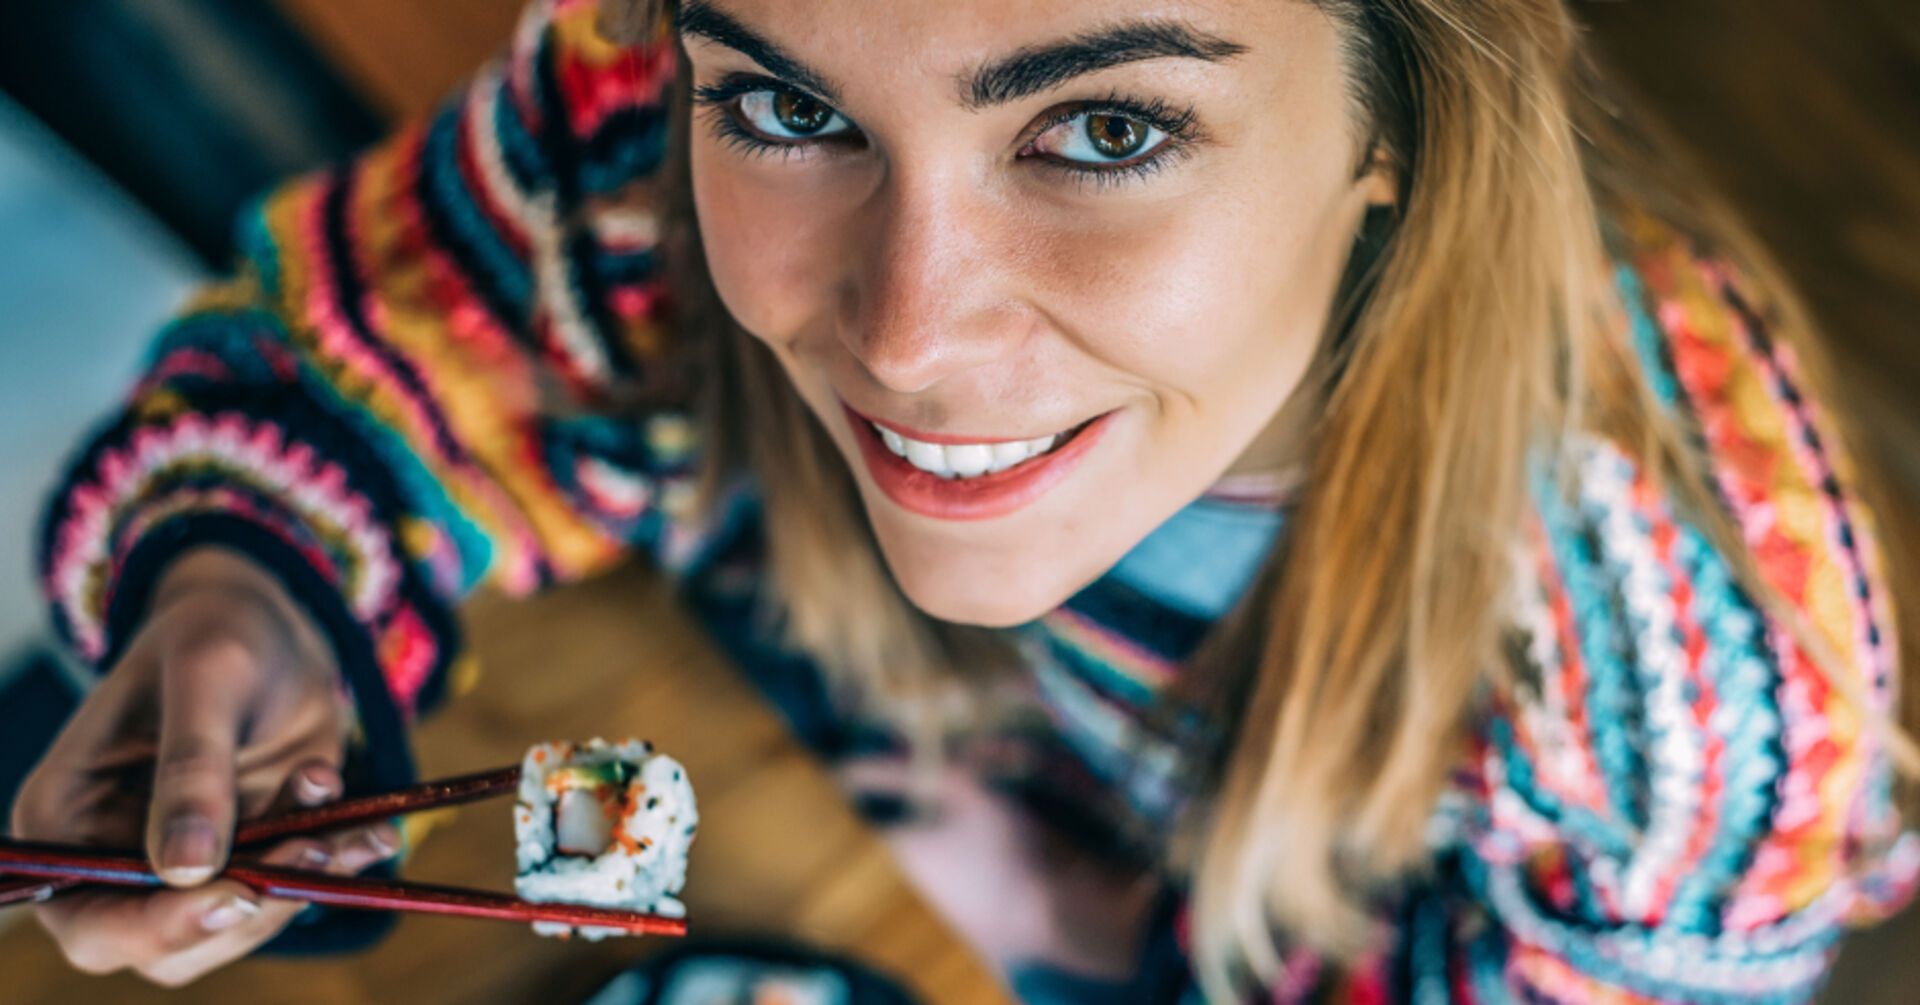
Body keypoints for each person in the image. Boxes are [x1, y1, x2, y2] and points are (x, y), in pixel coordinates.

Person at [11, 0, 1918, 1000]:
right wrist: (245, 588)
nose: (906, 340)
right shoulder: (633, 102)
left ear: (1401, 128)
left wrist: (1095, 930)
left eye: (1105, 129)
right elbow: (399, 345)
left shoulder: (1700, 677)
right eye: (789, 109)